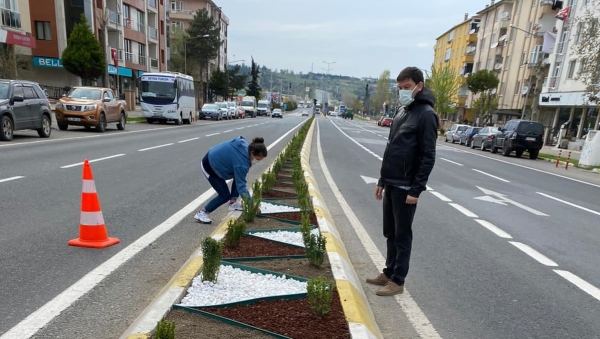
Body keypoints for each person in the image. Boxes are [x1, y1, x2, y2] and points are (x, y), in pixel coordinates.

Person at [367, 67, 438, 296]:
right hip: (391, 182)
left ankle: (398, 281)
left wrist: (416, 189)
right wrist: (382, 180)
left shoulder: (426, 115)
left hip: (407, 186)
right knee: (390, 232)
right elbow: (390, 149)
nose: (403, 92)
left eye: (407, 87)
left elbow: (428, 156)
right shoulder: (401, 112)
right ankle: (388, 272)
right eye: (400, 88)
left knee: (402, 235)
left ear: (419, 85)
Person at [194, 136, 267, 224]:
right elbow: (241, 187)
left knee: (239, 177)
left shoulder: (246, 146)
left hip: (213, 157)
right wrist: (252, 205)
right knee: (224, 195)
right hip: (210, 166)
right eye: (257, 159)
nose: (256, 161)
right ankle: (202, 213)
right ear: (252, 153)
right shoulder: (241, 163)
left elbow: (240, 179)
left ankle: (233, 203)